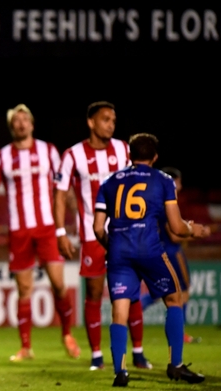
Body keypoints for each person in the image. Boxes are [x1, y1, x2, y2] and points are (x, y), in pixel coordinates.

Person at [93, 133, 210, 387]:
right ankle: (176, 365)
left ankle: (120, 372)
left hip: (119, 253)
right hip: (149, 250)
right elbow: (177, 227)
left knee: (119, 312)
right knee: (175, 298)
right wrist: (194, 229)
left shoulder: (109, 182)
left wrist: (112, 247)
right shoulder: (163, 181)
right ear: (155, 156)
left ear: (128, 155)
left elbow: (98, 227)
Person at [0, 104, 80, 362]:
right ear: (11, 126)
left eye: (24, 119)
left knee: (59, 285)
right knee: (24, 289)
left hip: (48, 228)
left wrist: (79, 219)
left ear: (31, 124)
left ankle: (67, 334)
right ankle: (26, 347)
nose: (21, 123)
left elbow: (65, 190)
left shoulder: (49, 151)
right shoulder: (2, 157)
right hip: (19, 231)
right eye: (16, 120)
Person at [54, 101, 151, 371]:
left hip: (126, 233)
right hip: (90, 235)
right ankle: (97, 356)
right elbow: (60, 193)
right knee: (95, 294)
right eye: (106, 119)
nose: (111, 123)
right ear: (91, 122)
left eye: (113, 119)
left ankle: (139, 353)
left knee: (131, 292)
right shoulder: (73, 154)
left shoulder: (123, 149)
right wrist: (60, 231)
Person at [139, 167, 199, 343]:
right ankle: (179, 334)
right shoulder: (168, 201)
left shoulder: (156, 200)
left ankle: (133, 310)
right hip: (172, 251)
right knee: (182, 291)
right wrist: (191, 231)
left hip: (160, 249)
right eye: (178, 181)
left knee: (163, 291)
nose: (180, 185)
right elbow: (174, 234)